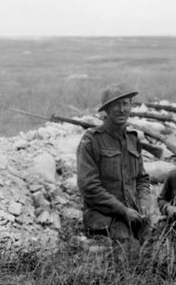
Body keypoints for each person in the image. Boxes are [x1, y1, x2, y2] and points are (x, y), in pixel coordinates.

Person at [76, 84, 151, 242]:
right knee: (132, 254)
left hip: (133, 216)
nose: (121, 109)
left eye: (125, 104)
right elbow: (89, 187)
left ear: (131, 106)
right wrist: (123, 211)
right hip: (105, 219)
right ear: (107, 109)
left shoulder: (133, 139)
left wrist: (144, 202)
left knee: (163, 244)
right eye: (116, 104)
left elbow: (142, 179)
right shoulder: (92, 140)